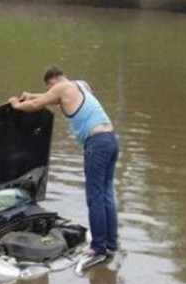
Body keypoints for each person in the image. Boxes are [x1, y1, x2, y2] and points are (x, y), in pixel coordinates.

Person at [9, 65, 119, 269]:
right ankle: (111, 244)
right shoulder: (80, 84)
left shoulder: (60, 88)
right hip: (111, 140)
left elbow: (37, 105)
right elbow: (52, 97)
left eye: (49, 88)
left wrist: (16, 104)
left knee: (95, 196)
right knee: (106, 194)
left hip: (96, 143)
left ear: (52, 82)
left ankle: (98, 249)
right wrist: (32, 94)